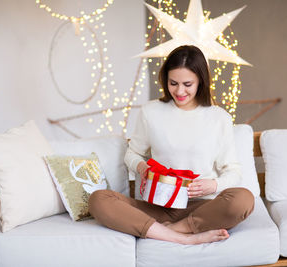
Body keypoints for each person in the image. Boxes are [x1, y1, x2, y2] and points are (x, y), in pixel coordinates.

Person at [88, 45, 254, 245]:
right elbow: (133, 154)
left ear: (201, 81)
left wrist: (213, 185)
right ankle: (183, 238)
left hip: (201, 207)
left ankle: (176, 228)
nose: (179, 91)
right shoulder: (151, 112)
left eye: (187, 84)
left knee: (243, 199)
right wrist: (142, 167)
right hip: (157, 206)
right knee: (98, 199)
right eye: (173, 83)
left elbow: (233, 171)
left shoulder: (219, 118)